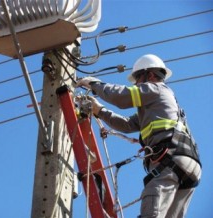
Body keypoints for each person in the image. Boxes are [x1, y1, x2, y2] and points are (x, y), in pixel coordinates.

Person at [76, 54, 202, 218]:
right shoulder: (158, 106)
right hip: (188, 165)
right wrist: (99, 110)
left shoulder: (156, 89)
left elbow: (121, 96)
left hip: (170, 160)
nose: (136, 84)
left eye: (137, 79)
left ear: (149, 75)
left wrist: (94, 84)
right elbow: (127, 124)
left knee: (152, 209)